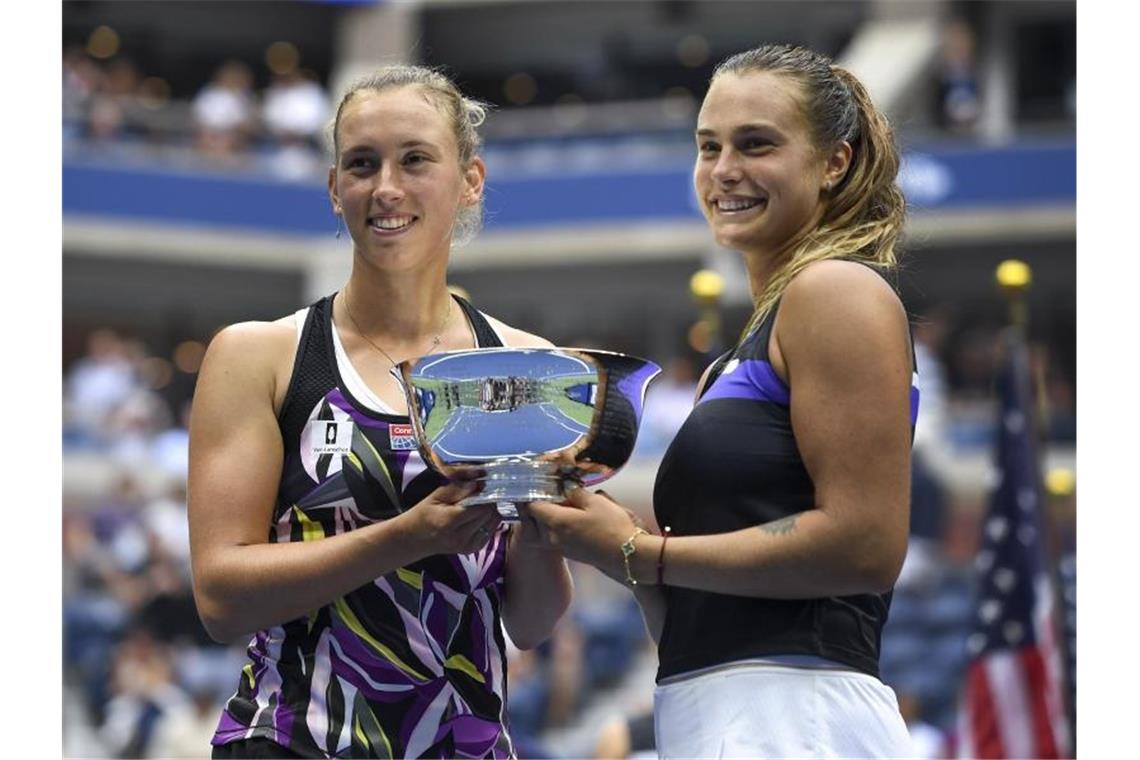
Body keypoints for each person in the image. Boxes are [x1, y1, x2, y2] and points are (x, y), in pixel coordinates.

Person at [526, 44, 919, 758]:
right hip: (713, 711)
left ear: (834, 161)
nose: (724, 170)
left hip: (800, 717)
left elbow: (865, 545)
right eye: (709, 147)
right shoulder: (737, 356)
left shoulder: (836, 291)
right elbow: (700, 611)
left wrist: (643, 551)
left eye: (756, 144)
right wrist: (606, 540)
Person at [188, 65, 573, 759]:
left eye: (416, 159)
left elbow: (532, 621)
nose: (386, 188)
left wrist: (545, 523)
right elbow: (220, 598)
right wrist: (407, 537)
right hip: (292, 740)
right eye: (362, 165)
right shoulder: (262, 356)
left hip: (465, 744)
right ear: (336, 190)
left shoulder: (523, 364)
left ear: (471, 181)